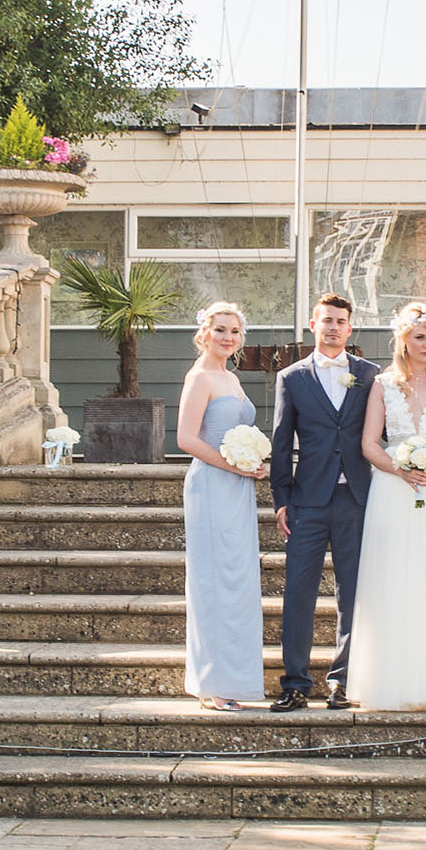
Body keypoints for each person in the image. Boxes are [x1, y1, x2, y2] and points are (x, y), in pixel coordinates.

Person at [348, 301, 426, 710]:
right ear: (403, 340)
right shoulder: (383, 384)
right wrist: (399, 470)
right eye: (420, 337)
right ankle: (391, 681)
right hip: (393, 488)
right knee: (395, 577)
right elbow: (369, 444)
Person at [269, 292, 380, 711]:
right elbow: (282, 443)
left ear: (349, 329)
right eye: (326, 321)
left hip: (356, 498)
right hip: (307, 502)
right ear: (312, 326)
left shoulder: (370, 375)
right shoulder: (291, 378)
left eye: (340, 321)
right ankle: (295, 683)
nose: (333, 327)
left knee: (352, 594)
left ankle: (342, 682)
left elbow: (382, 432)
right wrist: (282, 499)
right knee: (298, 592)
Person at [176, 301, 266, 711]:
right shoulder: (199, 378)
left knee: (237, 581)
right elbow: (187, 440)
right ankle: (212, 683)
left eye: (234, 331)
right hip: (211, 485)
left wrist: (252, 463)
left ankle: (235, 678)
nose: (227, 338)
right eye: (220, 330)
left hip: (238, 487)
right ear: (204, 334)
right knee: (214, 581)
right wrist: (235, 463)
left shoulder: (230, 377)